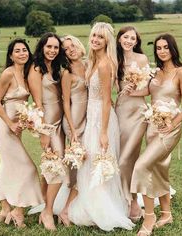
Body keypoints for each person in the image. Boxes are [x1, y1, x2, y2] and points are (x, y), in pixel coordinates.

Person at [68, 22, 134, 231]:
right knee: (89, 162)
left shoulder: (106, 64)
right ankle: (89, 201)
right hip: (91, 116)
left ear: (107, 41)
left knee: (99, 161)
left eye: (101, 37)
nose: (95, 40)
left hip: (101, 120)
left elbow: (107, 100)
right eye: (94, 35)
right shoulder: (93, 60)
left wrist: (104, 132)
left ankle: (102, 208)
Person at [124, 33, 182, 236]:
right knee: (159, 169)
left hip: (170, 129)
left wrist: (172, 124)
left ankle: (149, 218)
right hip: (152, 127)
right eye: (158, 48)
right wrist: (130, 91)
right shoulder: (155, 72)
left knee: (142, 165)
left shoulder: (181, 72)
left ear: (173, 49)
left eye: (165, 47)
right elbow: (148, 92)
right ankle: (166, 213)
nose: (162, 51)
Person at [0, 39, 44, 228]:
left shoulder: (27, 73)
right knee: (29, 168)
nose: (22, 53)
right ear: (11, 55)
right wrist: (10, 123)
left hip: (17, 130)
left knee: (6, 167)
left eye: (25, 50)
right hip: (5, 129)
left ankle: (5, 207)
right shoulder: (8, 73)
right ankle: (17, 210)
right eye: (17, 51)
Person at [28, 32, 69, 230]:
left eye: (55, 47)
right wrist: (44, 131)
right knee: (58, 167)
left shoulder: (57, 67)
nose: (52, 51)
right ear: (41, 47)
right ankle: (47, 212)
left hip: (60, 123)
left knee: (49, 169)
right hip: (49, 125)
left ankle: (45, 207)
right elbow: (37, 103)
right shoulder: (36, 69)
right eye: (49, 47)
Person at [115, 26, 148, 221]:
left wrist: (133, 90)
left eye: (132, 38)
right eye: (125, 37)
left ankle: (132, 201)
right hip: (120, 112)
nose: (128, 40)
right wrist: (120, 89)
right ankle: (121, 198)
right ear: (119, 39)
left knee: (127, 159)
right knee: (120, 157)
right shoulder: (114, 60)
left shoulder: (142, 59)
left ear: (136, 42)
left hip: (138, 113)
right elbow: (107, 86)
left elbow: (148, 89)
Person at [58, 35, 88, 226]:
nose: (71, 50)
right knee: (78, 165)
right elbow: (65, 103)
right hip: (74, 122)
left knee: (86, 164)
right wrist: (72, 129)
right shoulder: (67, 73)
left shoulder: (88, 65)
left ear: (79, 45)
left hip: (88, 119)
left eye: (73, 45)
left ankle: (79, 204)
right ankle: (65, 210)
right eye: (66, 49)